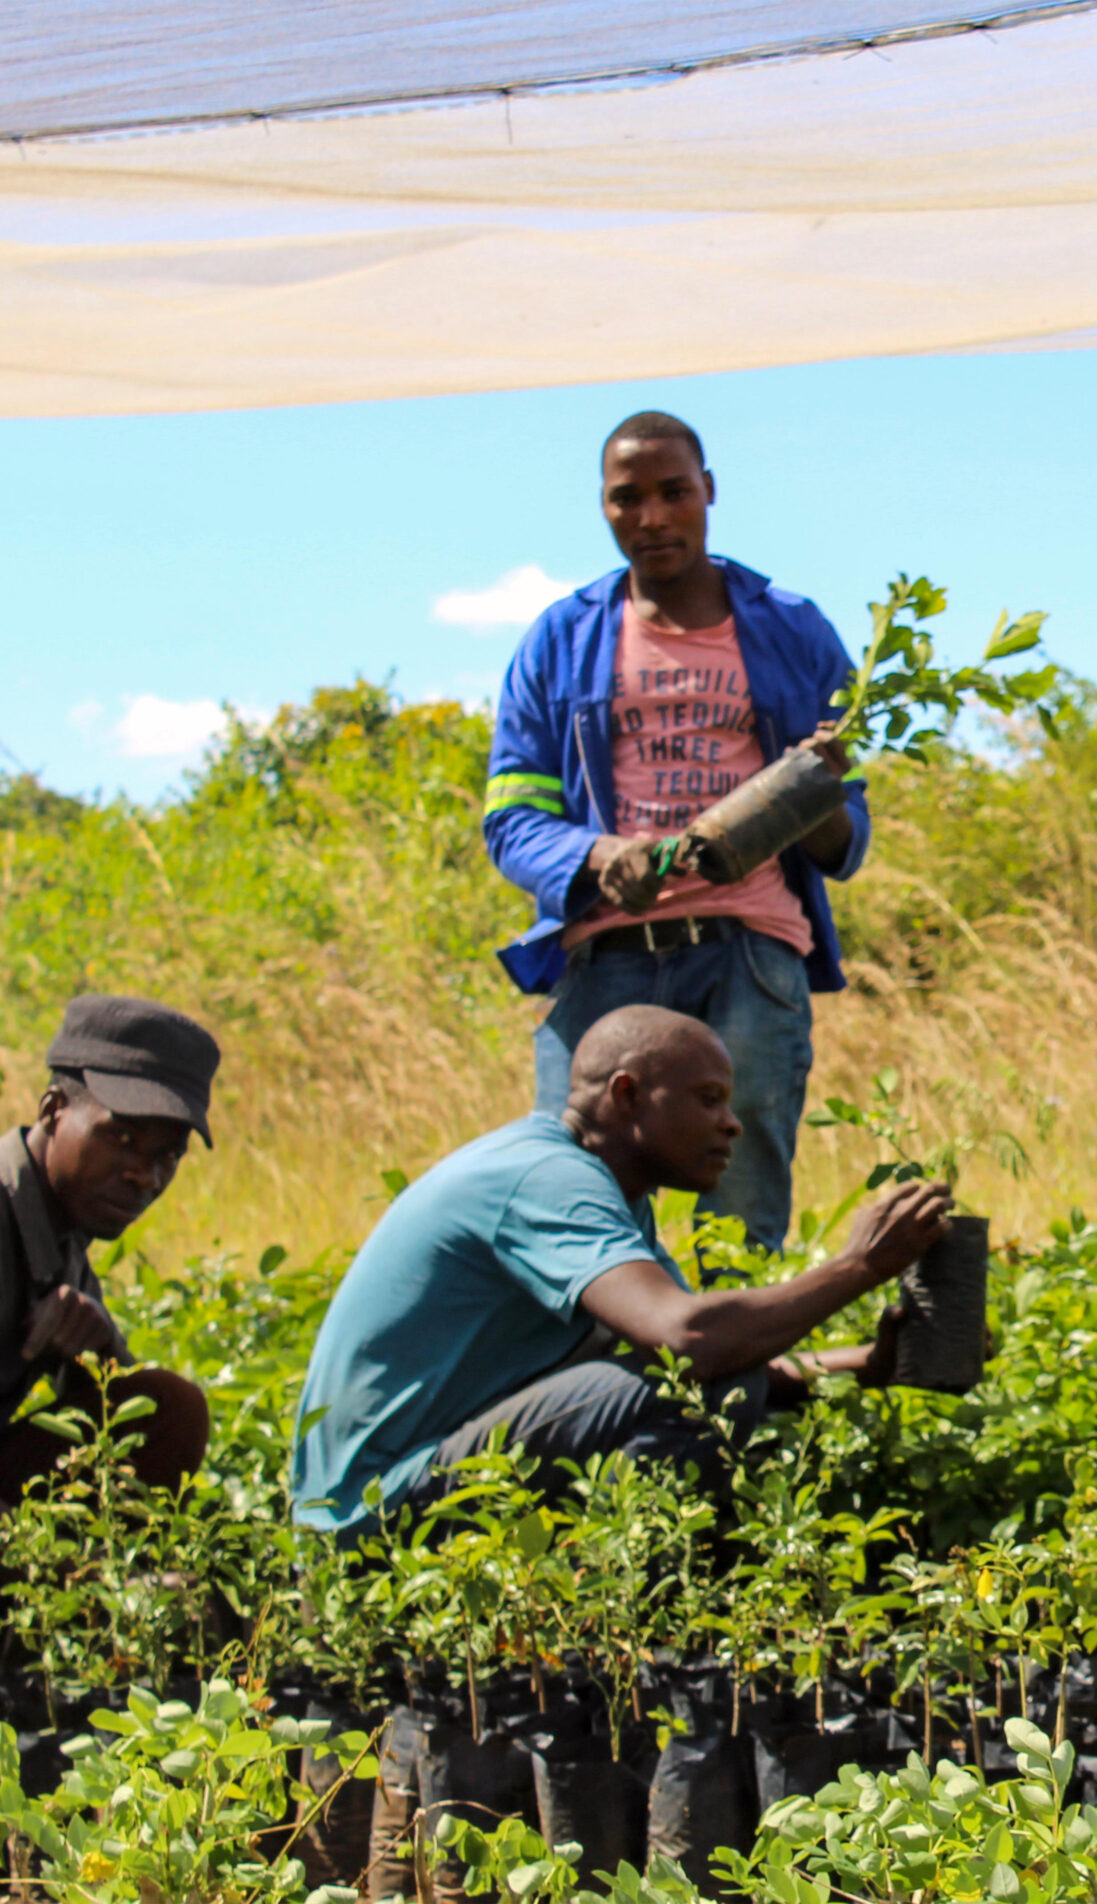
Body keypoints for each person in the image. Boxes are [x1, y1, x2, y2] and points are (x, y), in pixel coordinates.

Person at [289, 1006, 949, 1534]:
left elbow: (703, 1350)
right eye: (709, 1099)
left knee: (715, 1376)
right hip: (369, 1515)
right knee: (707, 1387)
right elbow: (690, 1345)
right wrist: (858, 1266)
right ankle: (632, 1618)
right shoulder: (546, 1179)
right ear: (627, 1094)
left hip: (395, 1491)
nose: (731, 1125)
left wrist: (870, 1365)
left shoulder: (603, 1191)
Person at [483, 410, 870, 1256]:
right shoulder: (561, 639)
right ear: (604, 506)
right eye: (628, 499)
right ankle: (600, 1389)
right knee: (575, 1201)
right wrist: (596, 855)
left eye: (673, 493)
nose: (652, 517)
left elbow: (845, 839)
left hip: (748, 954)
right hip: (605, 964)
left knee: (738, 1211)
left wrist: (812, 789)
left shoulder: (792, 627)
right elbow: (510, 819)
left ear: (709, 493)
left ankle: (735, 1383)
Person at [0, 996, 219, 1504]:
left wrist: (101, 1348)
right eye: (120, 1136)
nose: (145, 1175)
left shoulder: (62, 1219)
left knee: (165, 1409)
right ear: (54, 1110)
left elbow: (133, 1418)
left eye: (167, 1154)